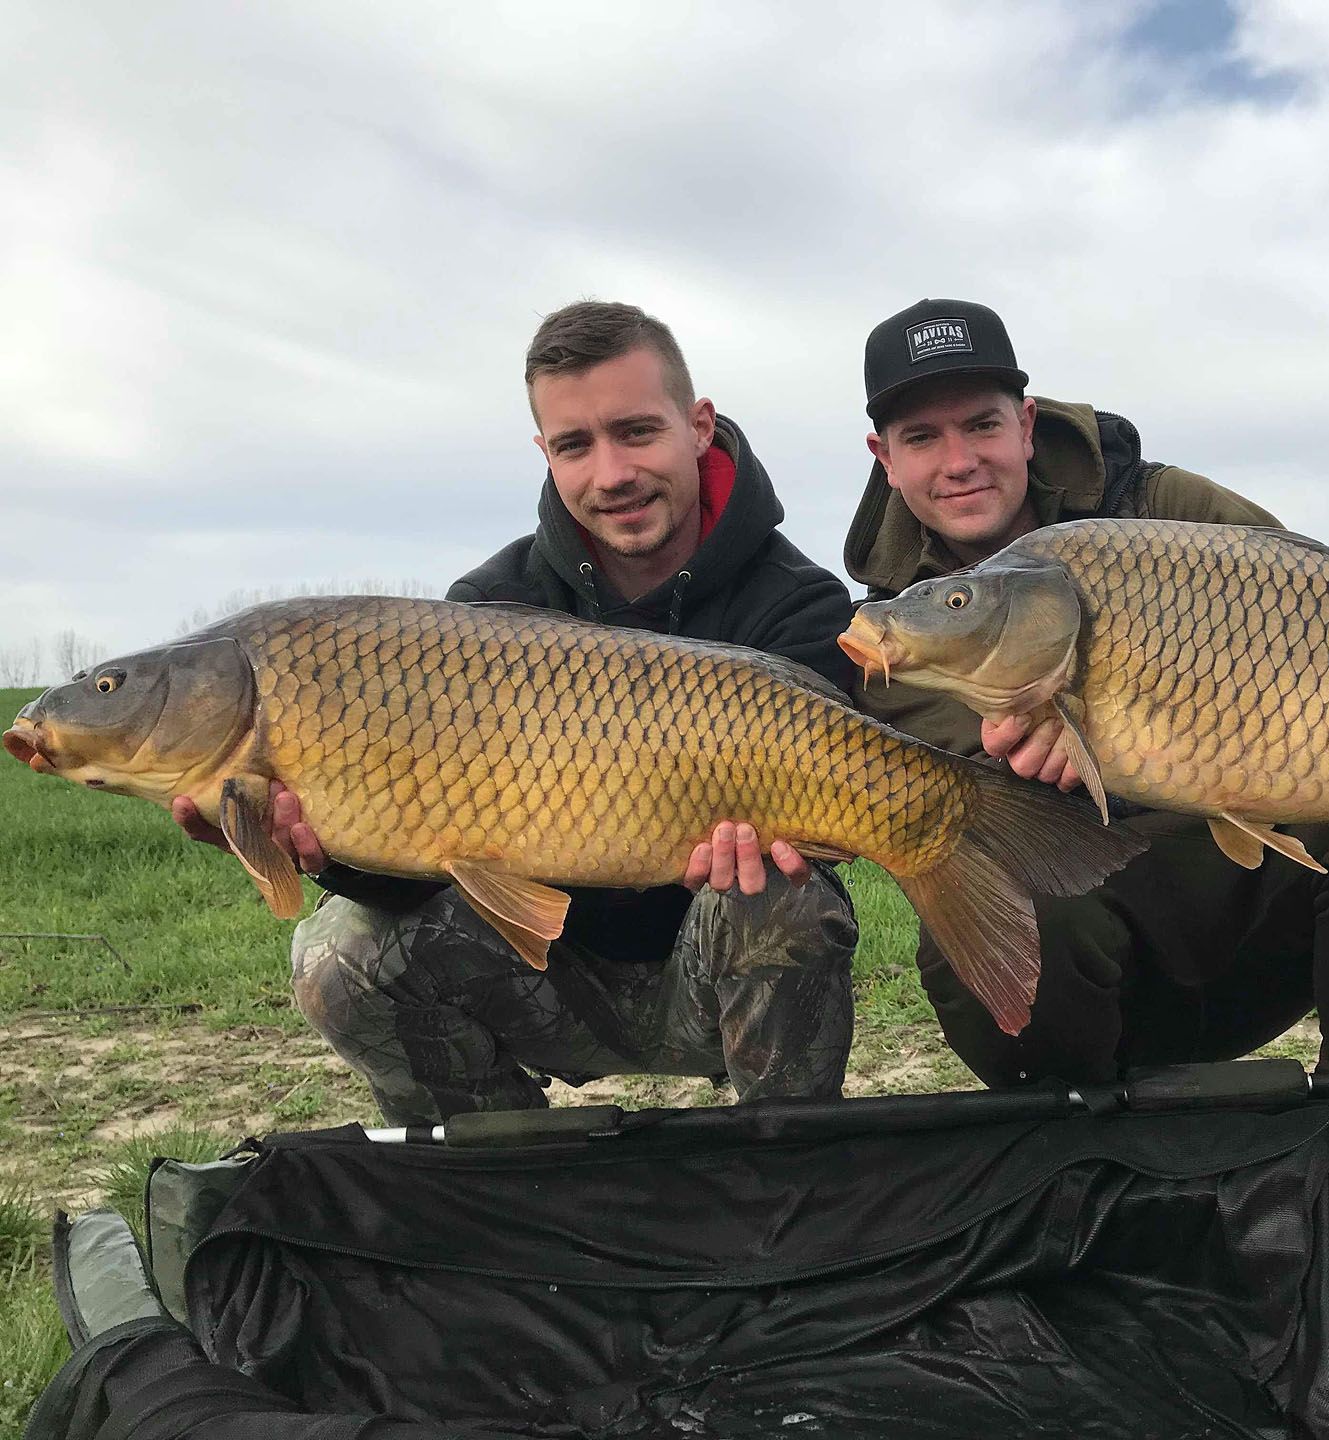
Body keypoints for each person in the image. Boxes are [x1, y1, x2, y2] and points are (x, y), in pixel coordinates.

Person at [844, 297, 1329, 1086]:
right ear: (885, 456)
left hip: (1253, 902)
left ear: (1025, 423)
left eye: (981, 425)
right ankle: (1077, 1138)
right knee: (977, 895)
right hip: (1089, 939)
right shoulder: (891, 631)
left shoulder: (1170, 511)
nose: (959, 461)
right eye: (923, 438)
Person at [175, 301, 860, 1124]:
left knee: (782, 899)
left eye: (637, 431)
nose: (611, 474)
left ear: (699, 425)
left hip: (719, 973)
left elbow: (825, 841)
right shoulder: (487, 614)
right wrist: (321, 848)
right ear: (545, 454)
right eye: (575, 445)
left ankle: (783, 1170)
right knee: (339, 951)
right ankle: (514, 1177)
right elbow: (424, 847)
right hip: (549, 981)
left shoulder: (796, 604)